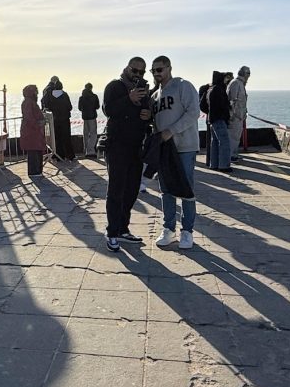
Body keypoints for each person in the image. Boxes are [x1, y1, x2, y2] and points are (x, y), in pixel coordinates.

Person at [149, 56, 201, 249]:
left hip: (185, 146)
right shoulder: (155, 96)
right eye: (153, 70)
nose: (157, 73)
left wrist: (172, 130)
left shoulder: (183, 86)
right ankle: (169, 229)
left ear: (169, 68)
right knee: (166, 190)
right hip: (165, 150)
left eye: (160, 69)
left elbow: (193, 112)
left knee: (186, 189)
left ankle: (187, 231)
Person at [101, 57, 152, 252]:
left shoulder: (144, 90)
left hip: (136, 147)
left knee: (131, 190)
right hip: (117, 146)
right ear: (127, 68)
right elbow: (108, 110)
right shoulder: (115, 86)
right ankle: (112, 232)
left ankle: (123, 228)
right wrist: (128, 99)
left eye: (141, 72)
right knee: (116, 190)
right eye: (135, 70)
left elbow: (147, 112)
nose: (137, 74)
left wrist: (149, 115)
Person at [206, 71, 232, 172]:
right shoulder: (219, 89)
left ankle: (214, 164)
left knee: (215, 143)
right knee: (224, 142)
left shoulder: (210, 89)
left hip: (212, 119)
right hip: (219, 119)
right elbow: (223, 105)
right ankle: (224, 165)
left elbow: (204, 105)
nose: (226, 80)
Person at [20, 84, 46, 176]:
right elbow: (29, 117)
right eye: (36, 91)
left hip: (33, 131)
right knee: (33, 151)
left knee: (36, 151)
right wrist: (38, 124)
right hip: (32, 132)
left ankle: (37, 171)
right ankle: (34, 171)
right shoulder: (28, 103)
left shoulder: (29, 102)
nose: (37, 94)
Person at [227, 65, 250, 161]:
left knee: (236, 137)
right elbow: (232, 100)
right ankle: (231, 155)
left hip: (239, 116)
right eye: (248, 73)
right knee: (232, 137)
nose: (249, 76)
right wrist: (233, 114)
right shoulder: (236, 83)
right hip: (235, 116)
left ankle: (234, 154)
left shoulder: (240, 83)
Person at [48, 79, 75, 161]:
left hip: (55, 120)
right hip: (64, 119)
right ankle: (69, 155)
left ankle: (59, 155)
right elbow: (70, 107)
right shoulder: (64, 94)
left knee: (57, 138)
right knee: (66, 138)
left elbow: (49, 106)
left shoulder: (51, 95)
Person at [78, 83, 100, 158]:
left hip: (85, 117)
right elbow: (97, 106)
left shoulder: (81, 97)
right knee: (93, 133)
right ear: (91, 88)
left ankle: (86, 149)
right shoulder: (94, 96)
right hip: (92, 116)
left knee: (86, 134)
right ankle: (90, 150)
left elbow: (79, 108)